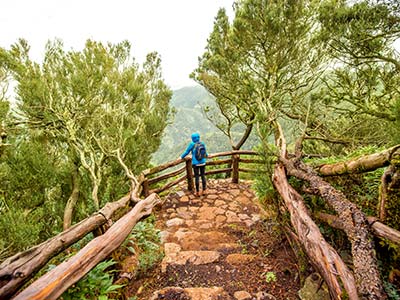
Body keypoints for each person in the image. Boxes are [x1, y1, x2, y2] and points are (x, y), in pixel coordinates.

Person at [180, 132, 208, 196]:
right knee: (203, 176)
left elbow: (187, 152)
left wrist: (181, 157)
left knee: (197, 177)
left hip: (196, 163)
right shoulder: (202, 143)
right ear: (198, 137)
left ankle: (197, 192)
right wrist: (207, 156)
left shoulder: (192, 144)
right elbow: (205, 153)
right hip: (203, 162)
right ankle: (204, 190)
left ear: (192, 138)